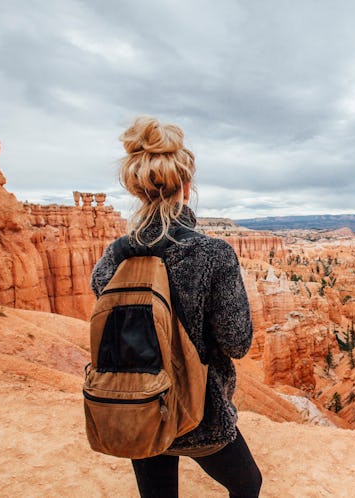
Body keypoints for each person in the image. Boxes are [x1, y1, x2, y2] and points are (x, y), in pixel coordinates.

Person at [90, 116, 262, 498]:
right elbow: (237, 343)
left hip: (140, 404)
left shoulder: (114, 257)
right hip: (199, 411)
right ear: (186, 187)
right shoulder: (212, 254)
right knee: (248, 484)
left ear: (138, 190)